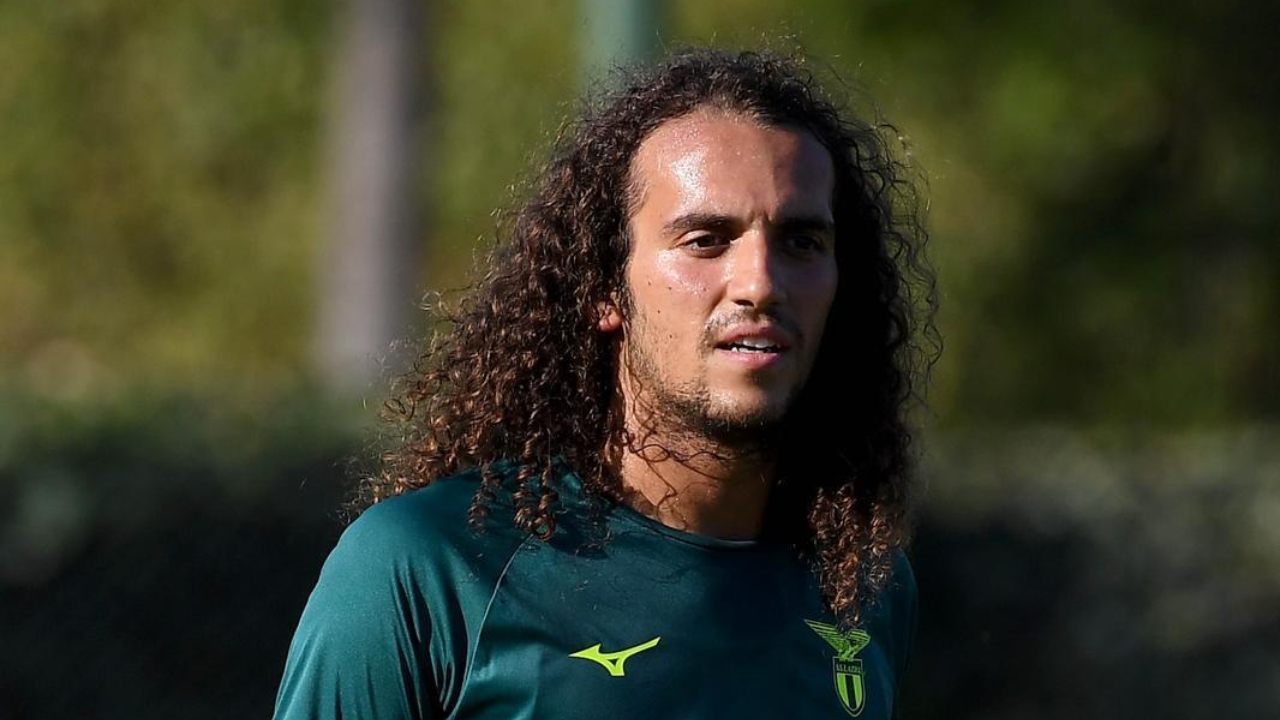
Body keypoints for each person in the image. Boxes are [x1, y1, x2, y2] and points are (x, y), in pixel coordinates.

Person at [273, 47, 938, 719]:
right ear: (603, 288)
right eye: (706, 240)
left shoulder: (863, 589)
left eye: (801, 242)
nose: (760, 283)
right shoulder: (429, 564)